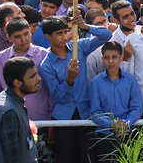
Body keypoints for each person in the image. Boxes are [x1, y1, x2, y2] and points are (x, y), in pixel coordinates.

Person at [38, 14, 111, 163]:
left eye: (65, 31)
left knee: (89, 157)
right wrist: (69, 80)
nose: (64, 36)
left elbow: (106, 35)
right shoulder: (46, 65)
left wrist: (86, 26)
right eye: (59, 33)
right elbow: (59, 97)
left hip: (86, 114)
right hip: (63, 119)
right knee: (66, 158)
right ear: (47, 36)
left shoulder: (79, 47)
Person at [89, 41, 143, 161]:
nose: (111, 61)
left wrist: (126, 123)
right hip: (105, 135)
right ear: (102, 59)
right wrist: (111, 124)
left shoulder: (130, 80)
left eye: (114, 57)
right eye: (107, 58)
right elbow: (95, 112)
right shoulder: (96, 82)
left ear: (121, 57)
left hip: (129, 133)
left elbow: (137, 107)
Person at [0, 57, 40, 163]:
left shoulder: (11, 101)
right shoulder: (9, 111)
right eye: (33, 76)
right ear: (17, 82)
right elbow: (12, 157)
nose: (38, 78)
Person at [0, 18, 51, 121]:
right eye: (18, 37)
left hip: (41, 118)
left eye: (26, 34)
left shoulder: (43, 54)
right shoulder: (0, 58)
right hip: (12, 117)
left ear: (30, 31)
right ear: (9, 38)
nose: (23, 39)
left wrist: (51, 116)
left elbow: (50, 88)